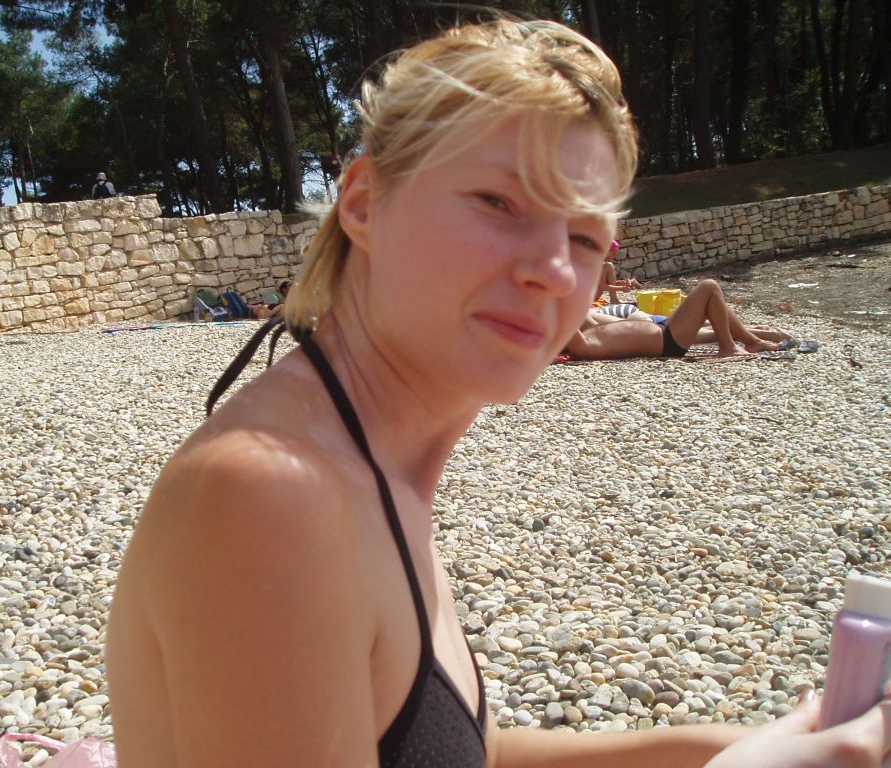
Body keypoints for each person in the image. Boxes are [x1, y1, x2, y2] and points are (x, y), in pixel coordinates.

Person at [106, 19, 891, 768]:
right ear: (365, 202)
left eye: (584, 237)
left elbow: (475, 756)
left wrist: (742, 748)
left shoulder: (368, 459)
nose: (553, 270)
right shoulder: (269, 495)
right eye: (499, 202)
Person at [567, 279, 788, 360]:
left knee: (712, 303)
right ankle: (730, 346)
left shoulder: (588, 330)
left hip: (663, 329)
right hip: (668, 339)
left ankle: (752, 340)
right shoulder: (584, 346)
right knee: (709, 287)